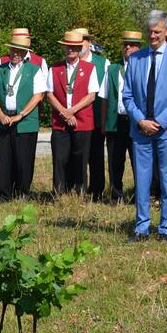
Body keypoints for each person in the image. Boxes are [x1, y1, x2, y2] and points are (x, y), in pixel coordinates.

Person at [123, 11, 167, 241]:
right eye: (149, 31)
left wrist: (160, 122)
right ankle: (141, 227)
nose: (152, 36)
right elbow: (127, 96)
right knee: (142, 181)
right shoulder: (136, 59)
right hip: (141, 129)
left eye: (157, 32)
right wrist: (141, 121)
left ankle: (165, 229)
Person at [0, 33, 47, 200]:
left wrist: (21, 114)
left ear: (25, 53)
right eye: (13, 50)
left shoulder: (34, 70)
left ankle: (22, 192)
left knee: (24, 160)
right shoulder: (0, 70)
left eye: (19, 51)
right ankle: (4, 194)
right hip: (4, 120)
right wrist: (0, 114)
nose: (15, 53)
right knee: (5, 160)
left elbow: (38, 96)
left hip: (25, 122)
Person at [46, 31, 100, 194]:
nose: (71, 49)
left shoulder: (90, 68)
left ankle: (80, 190)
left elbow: (92, 95)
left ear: (79, 48)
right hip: (60, 121)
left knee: (81, 158)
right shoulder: (55, 68)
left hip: (82, 121)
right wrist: (64, 113)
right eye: (68, 46)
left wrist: (71, 111)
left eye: (74, 47)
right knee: (60, 158)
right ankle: (59, 192)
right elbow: (49, 94)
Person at [99, 30, 141, 203]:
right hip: (116, 121)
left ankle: (140, 195)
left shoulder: (144, 67)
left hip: (137, 122)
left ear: (139, 48)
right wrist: (104, 122)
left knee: (138, 160)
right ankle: (116, 195)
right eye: (125, 45)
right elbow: (104, 98)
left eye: (132, 45)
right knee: (115, 161)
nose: (127, 48)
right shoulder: (112, 69)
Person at [74, 27, 110, 200]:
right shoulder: (69, 62)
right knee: (77, 156)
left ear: (88, 43)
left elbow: (107, 93)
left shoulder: (104, 63)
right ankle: (77, 190)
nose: (79, 44)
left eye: (82, 40)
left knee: (96, 156)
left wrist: (105, 120)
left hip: (95, 118)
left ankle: (97, 192)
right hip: (75, 119)